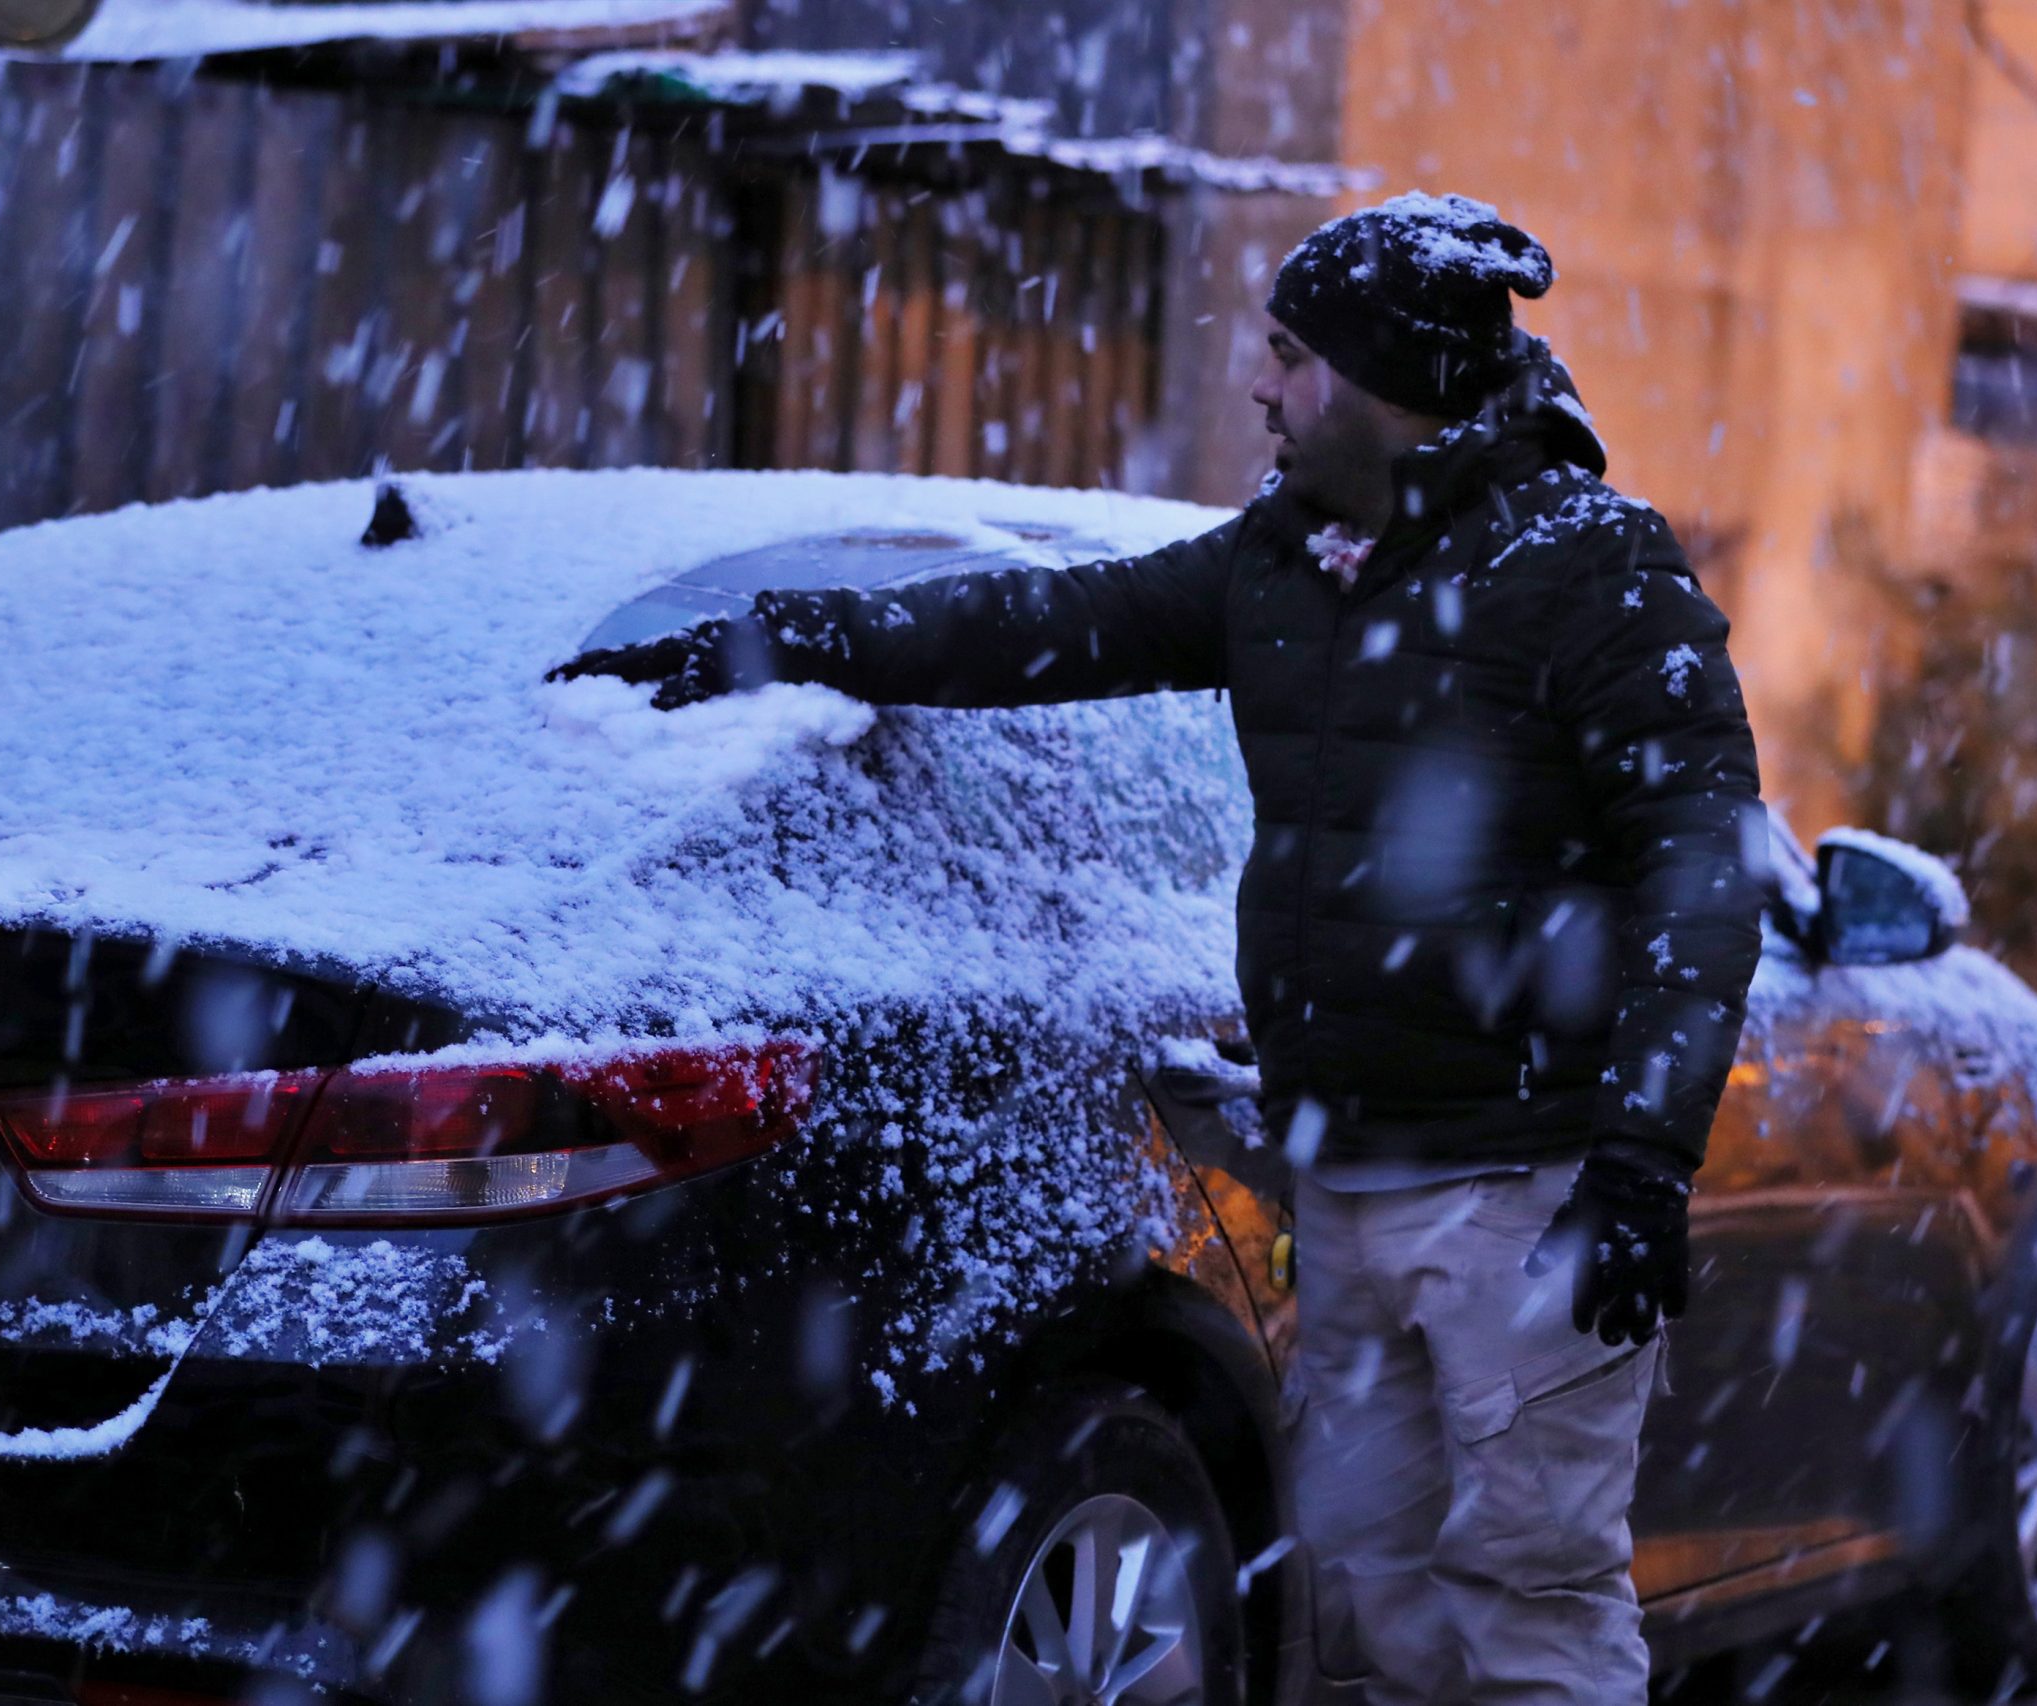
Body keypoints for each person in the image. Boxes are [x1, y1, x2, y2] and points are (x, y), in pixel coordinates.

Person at [553, 192, 1764, 1706]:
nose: (1258, 385)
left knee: (1532, 1603)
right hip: (1346, 1175)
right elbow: (1049, 624)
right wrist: (791, 636)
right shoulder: (1283, 561)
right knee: (1373, 1613)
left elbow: (1702, 865)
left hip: (1526, 1190)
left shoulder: (1593, 570)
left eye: (1286, 356)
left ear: (1381, 380)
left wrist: (1646, 1154)